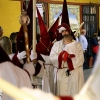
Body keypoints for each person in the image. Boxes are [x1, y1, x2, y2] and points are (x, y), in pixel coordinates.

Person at [49, 23, 80, 96]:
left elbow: (80, 58)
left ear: (69, 31)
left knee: (72, 92)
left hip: (73, 71)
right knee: (61, 93)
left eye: (66, 31)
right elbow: (52, 57)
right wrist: (62, 59)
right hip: (60, 72)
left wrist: (70, 62)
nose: (64, 33)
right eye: (62, 31)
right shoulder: (56, 44)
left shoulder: (77, 44)